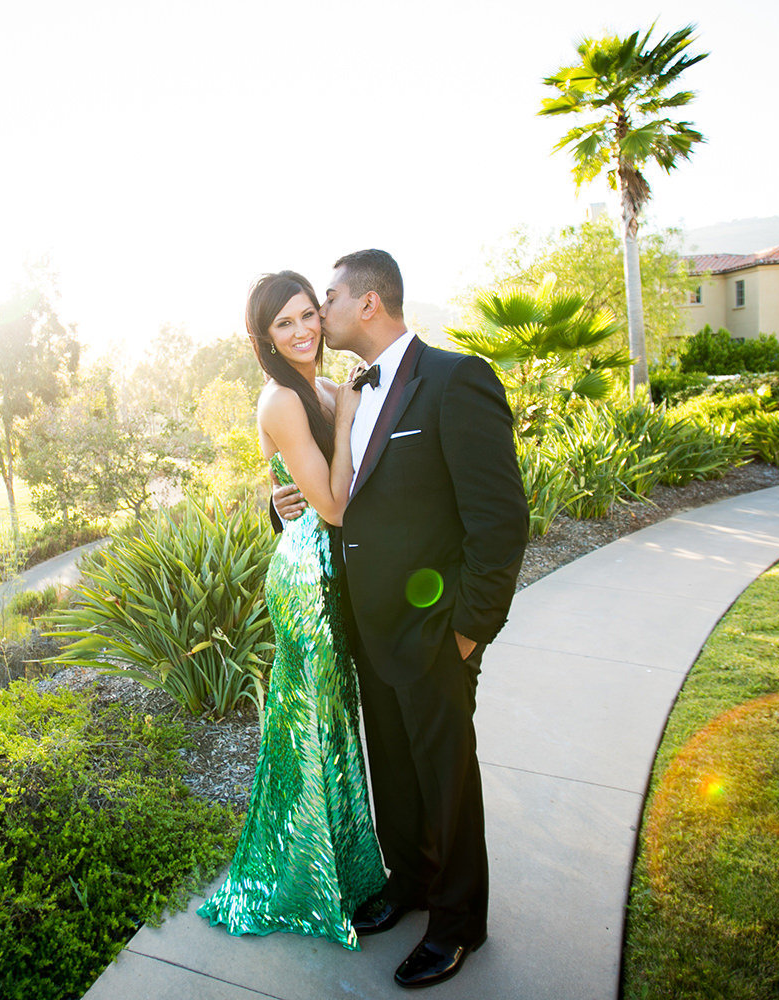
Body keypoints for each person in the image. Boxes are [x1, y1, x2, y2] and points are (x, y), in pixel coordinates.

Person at [274, 250, 528, 988]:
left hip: (435, 630)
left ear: (370, 304)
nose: (318, 315)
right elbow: (336, 499)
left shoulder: (456, 380)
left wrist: (468, 629)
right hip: (369, 627)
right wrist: (280, 506)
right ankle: (409, 884)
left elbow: (501, 518)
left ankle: (456, 925)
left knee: (446, 779)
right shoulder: (342, 393)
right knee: (395, 768)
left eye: (327, 299)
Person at [196, 270, 387, 950]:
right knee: (310, 722)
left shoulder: (329, 387)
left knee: (336, 725)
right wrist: (344, 425)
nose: (303, 329)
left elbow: (321, 484)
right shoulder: (282, 398)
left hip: (339, 569)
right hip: (307, 579)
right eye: (285, 323)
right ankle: (308, 878)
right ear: (266, 338)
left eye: (308, 314)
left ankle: (351, 870)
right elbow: (330, 506)